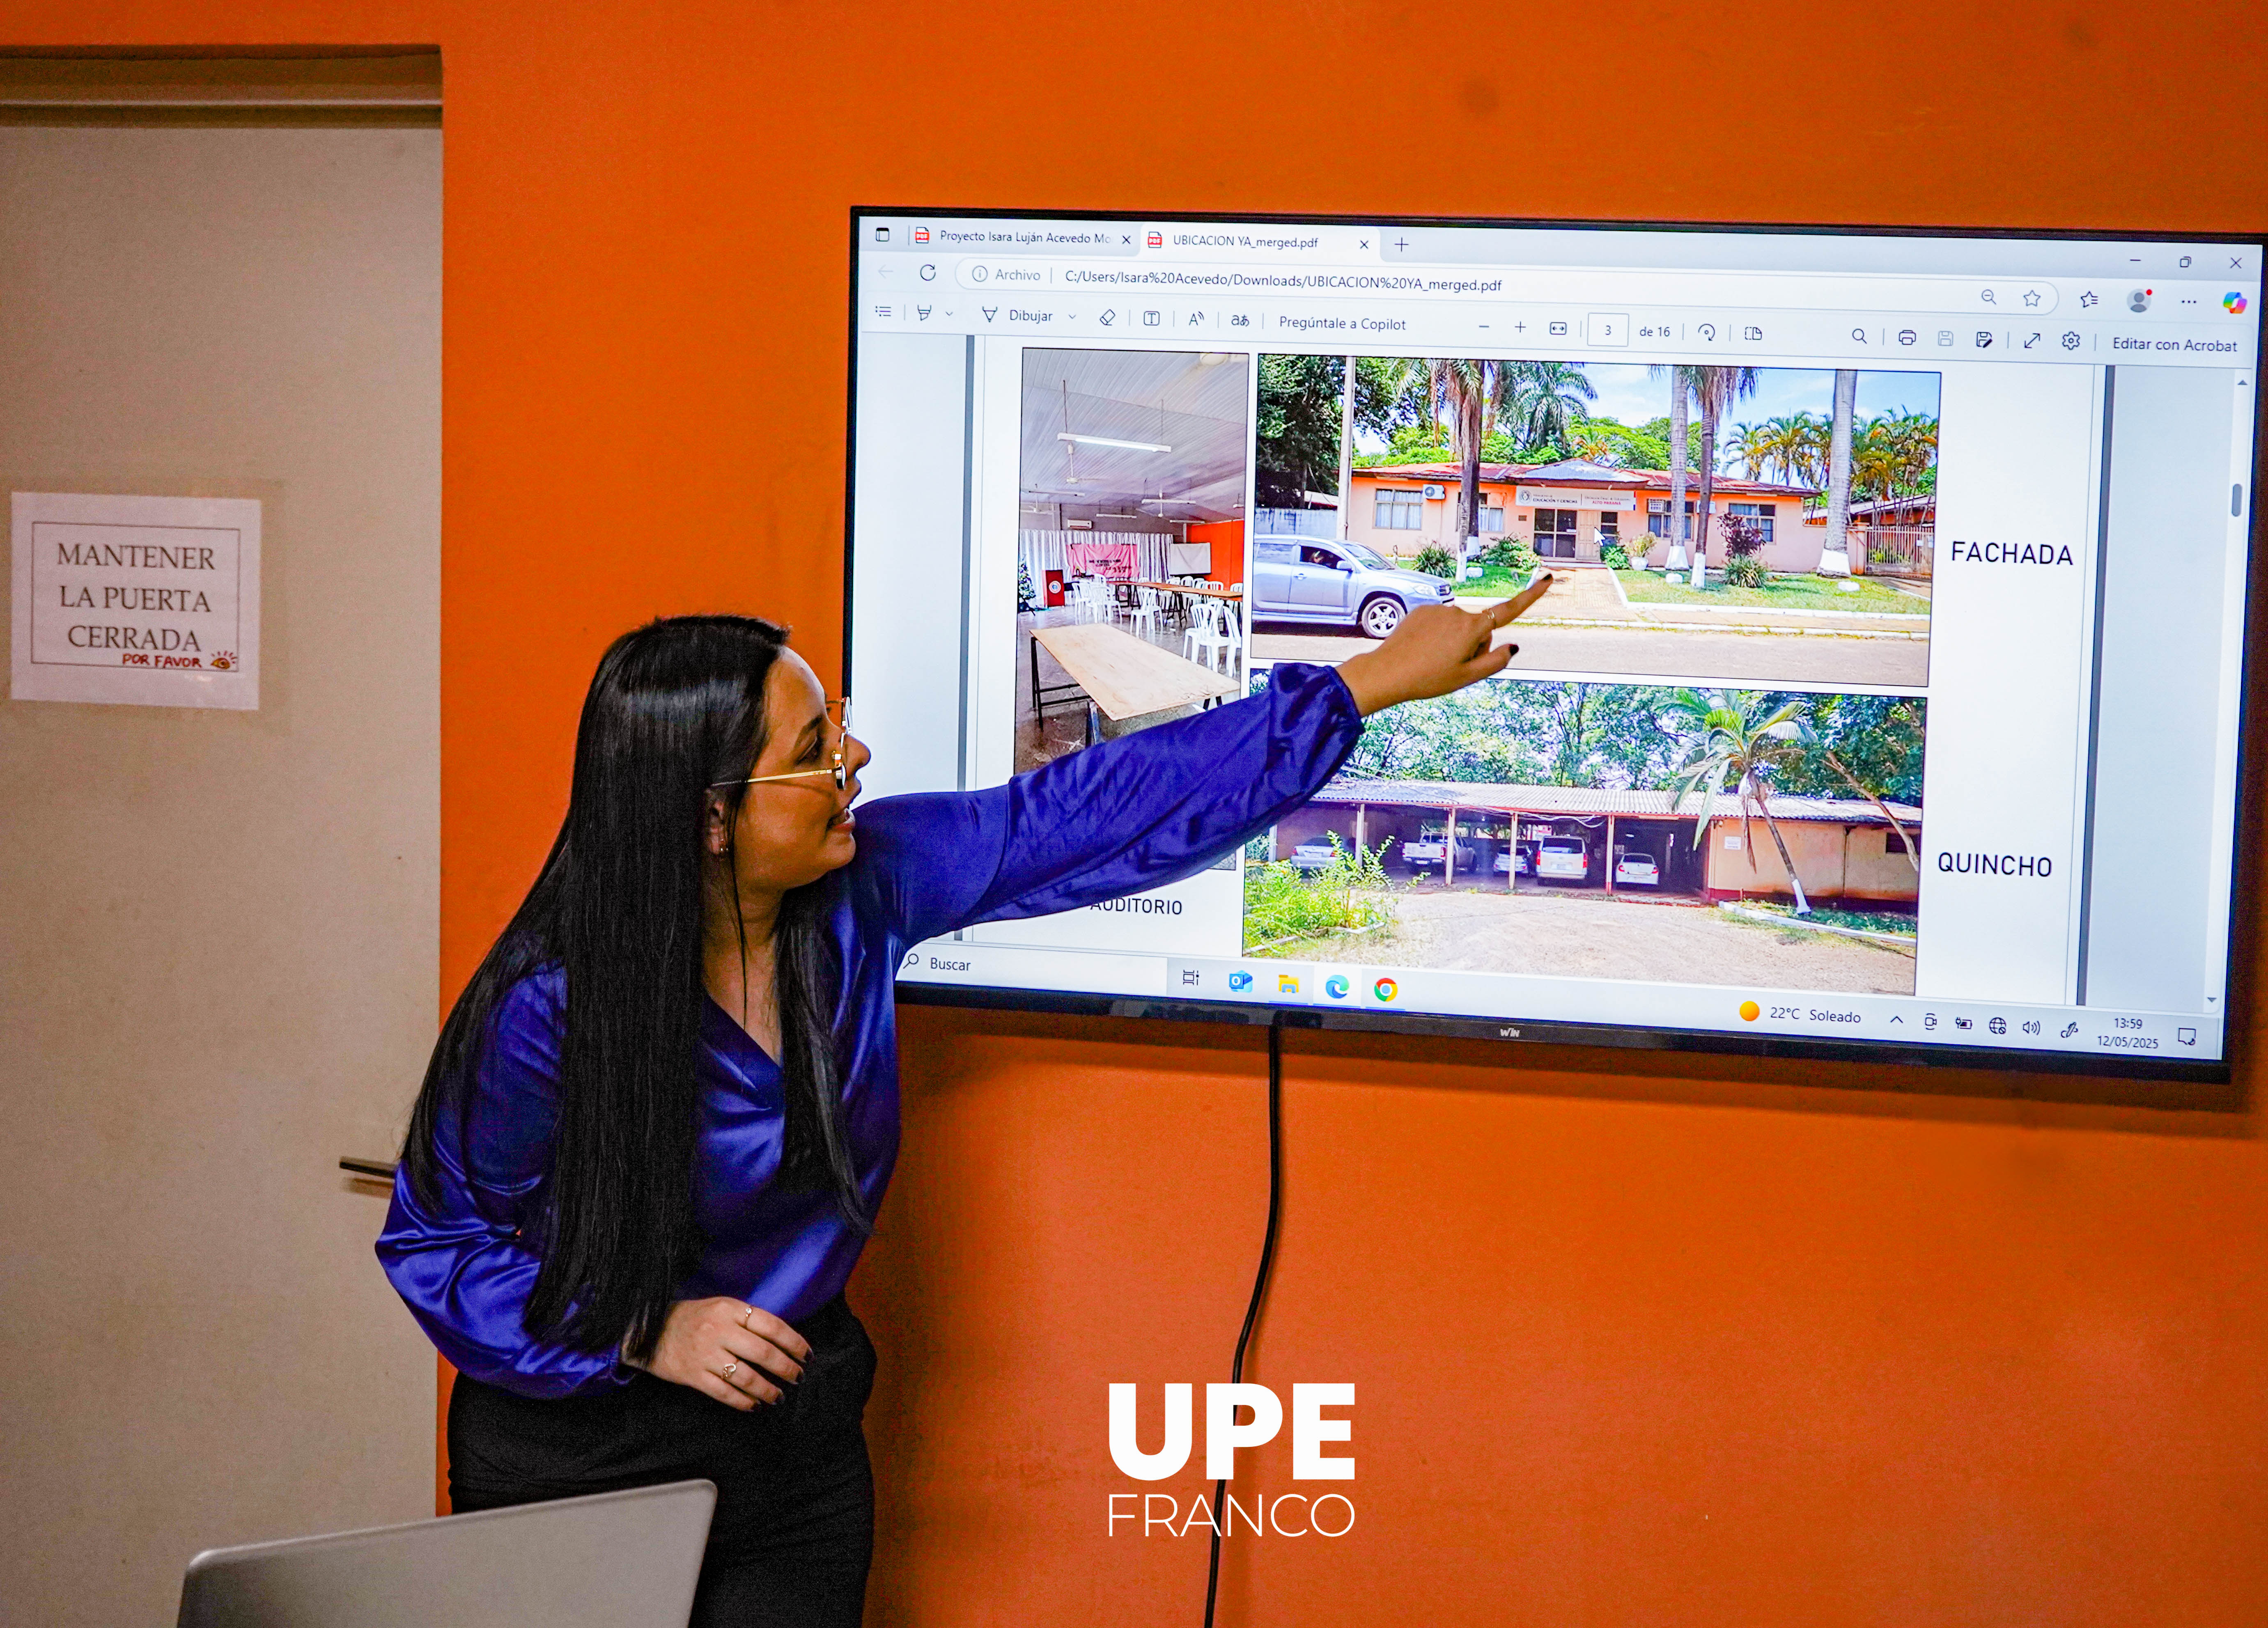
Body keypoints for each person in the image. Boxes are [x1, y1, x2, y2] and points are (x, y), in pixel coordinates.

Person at [377, 574, 1552, 1626]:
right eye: (814, 750)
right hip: (584, 1461)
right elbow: (437, 1244)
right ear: (710, 817)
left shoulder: (867, 885)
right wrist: (649, 1331)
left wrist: (1365, 686)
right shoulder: (551, 1007)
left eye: (837, 727)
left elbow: (1094, 807)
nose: (856, 760)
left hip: (791, 1452)